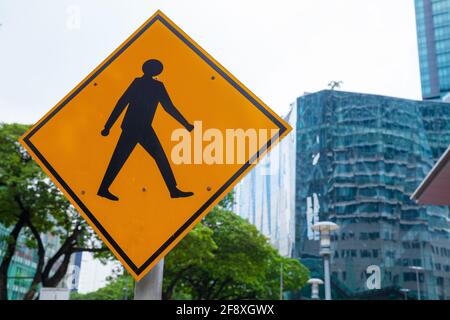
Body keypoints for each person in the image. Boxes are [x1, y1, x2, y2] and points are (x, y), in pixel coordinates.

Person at [97, 59, 194, 201]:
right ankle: (173, 190)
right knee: (150, 157)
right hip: (135, 127)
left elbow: (122, 103)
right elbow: (123, 102)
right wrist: (107, 126)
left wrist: (108, 126)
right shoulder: (153, 86)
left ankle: (173, 190)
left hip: (139, 127)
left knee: (123, 158)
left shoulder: (146, 84)